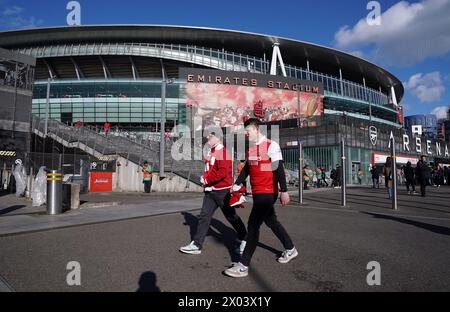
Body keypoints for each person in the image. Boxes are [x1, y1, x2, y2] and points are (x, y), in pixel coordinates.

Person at [224, 118, 297, 278]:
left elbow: (278, 168)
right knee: (271, 221)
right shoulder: (251, 150)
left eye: (248, 131)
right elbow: (248, 169)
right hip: (257, 192)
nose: (246, 134)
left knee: (252, 226)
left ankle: (243, 265)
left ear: (257, 129)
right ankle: (290, 249)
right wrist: (237, 184)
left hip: (268, 191)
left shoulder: (271, 145)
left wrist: (284, 190)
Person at [180, 131, 247, 255]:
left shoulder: (222, 151)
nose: (207, 137)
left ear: (217, 137)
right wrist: (205, 178)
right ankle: (196, 244)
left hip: (222, 191)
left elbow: (222, 172)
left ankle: (245, 238)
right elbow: (212, 170)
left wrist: (206, 180)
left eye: (210, 135)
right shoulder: (214, 151)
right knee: (204, 216)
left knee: (231, 216)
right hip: (211, 190)